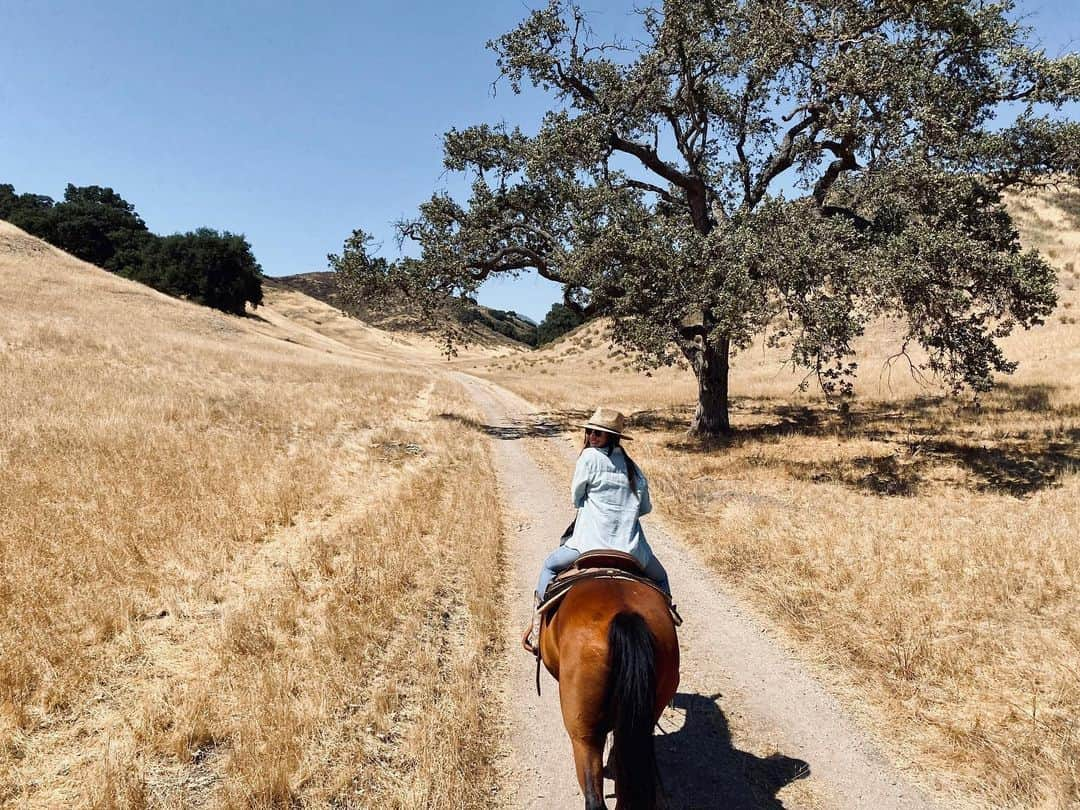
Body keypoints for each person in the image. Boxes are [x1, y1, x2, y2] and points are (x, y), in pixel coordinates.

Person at [523, 407, 671, 652]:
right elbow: (644, 508)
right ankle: (665, 636)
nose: (592, 436)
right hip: (632, 550)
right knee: (661, 579)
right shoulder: (633, 468)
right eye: (590, 431)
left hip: (587, 545)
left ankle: (538, 631)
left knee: (549, 566)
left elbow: (576, 496)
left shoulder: (589, 457)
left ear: (610, 436)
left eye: (598, 433)